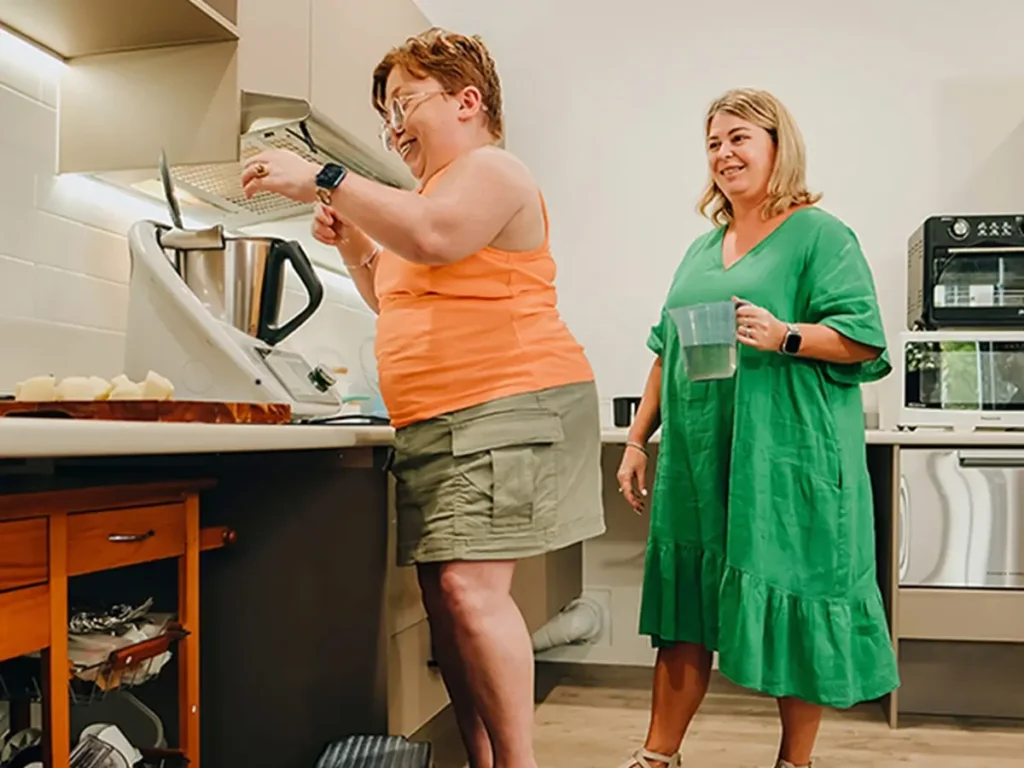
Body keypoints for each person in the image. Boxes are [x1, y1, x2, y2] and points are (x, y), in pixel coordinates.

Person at [239, 27, 605, 768]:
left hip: (505, 403)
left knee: (469, 594)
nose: (394, 126)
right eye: (386, 114)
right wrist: (352, 247)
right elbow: (395, 294)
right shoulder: (427, 195)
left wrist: (324, 177)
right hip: (441, 419)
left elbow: (436, 239)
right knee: (447, 600)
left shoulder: (491, 171)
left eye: (405, 103)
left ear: (468, 101)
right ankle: (485, 759)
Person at [615, 88, 899, 768]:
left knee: (797, 600)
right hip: (699, 456)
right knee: (685, 611)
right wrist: (636, 439)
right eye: (714, 142)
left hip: (786, 460)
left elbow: (864, 342)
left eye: (739, 137)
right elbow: (666, 350)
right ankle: (658, 757)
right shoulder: (701, 249)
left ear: (779, 146)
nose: (724, 153)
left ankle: (793, 763)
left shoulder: (821, 235)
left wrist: (786, 336)